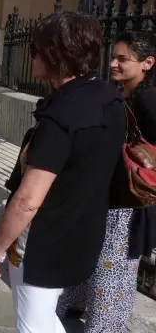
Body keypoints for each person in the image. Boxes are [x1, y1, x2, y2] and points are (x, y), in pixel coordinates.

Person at [0, 12, 125, 333]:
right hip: (85, 230)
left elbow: (27, 202)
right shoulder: (107, 97)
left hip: (47, 240)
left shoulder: (60, 118)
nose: (30, 55)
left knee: (32, 322)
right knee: (43, 316)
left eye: (34, 48)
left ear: (54, 55)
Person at [57, 31, 156, 331]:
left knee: (113, 267)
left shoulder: (150, 100)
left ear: (147, 63)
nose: (113, 64)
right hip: (106, 192)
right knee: (91, 250)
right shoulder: (124, 92)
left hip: (128, 200)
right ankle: (75, 302)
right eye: (112, 57)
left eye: (122, 59)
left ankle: (105, 325)